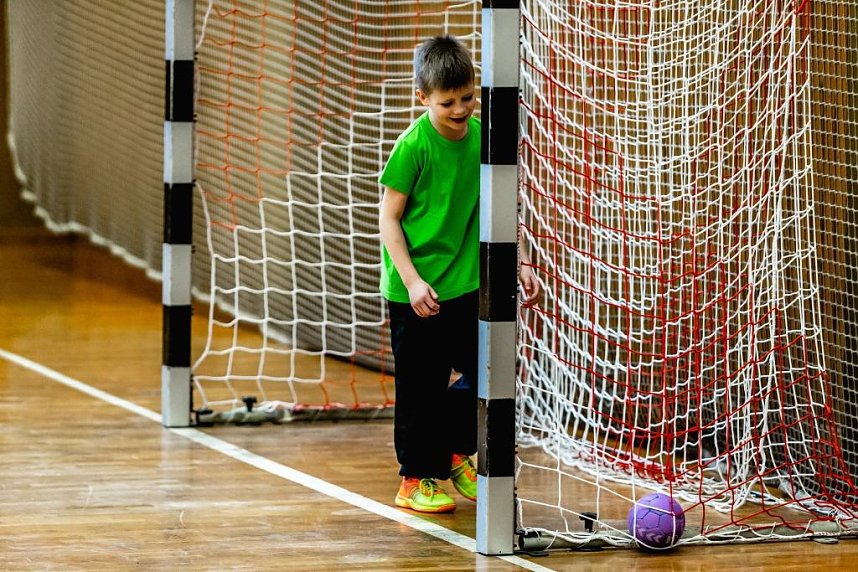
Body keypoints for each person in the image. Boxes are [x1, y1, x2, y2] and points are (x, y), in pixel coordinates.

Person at [379, 35, 539, 513]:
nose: (460, 109)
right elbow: (389, 218)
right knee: (421, 388)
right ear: (423, 98)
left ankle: (450, 451)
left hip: (468, 285)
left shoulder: (484, 138)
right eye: (447, 102)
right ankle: (415, 479)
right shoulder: (413, 147)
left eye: (467, 97)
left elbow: (502, 206)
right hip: (418, 291)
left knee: (491, 371)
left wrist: (522, 260)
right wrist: (412, 281)